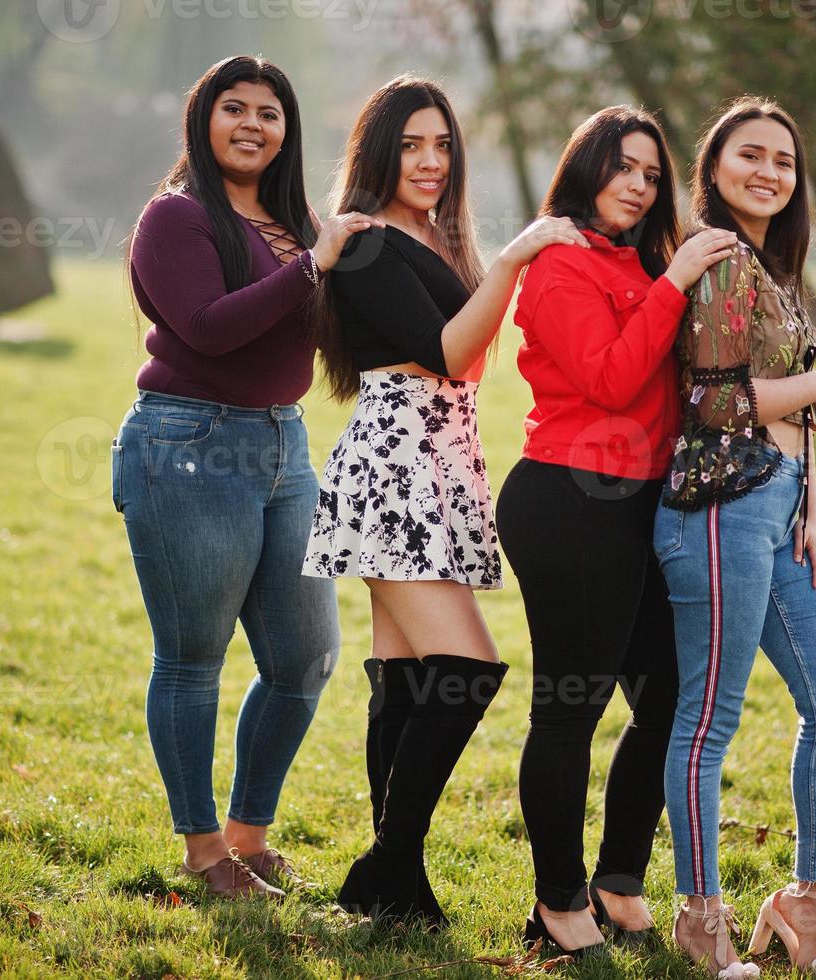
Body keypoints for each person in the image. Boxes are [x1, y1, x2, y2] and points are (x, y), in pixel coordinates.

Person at [302, 75, 585, 927]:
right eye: (411, 145)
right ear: (377, 151)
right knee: (464, 670)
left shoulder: (427, 233)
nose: (429, 161)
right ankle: (386, 864)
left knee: (403, 678)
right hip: (396, 464)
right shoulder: (363, 243)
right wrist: (514, 258)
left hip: (437, 459)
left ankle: (397, 883)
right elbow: (449, 356)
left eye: (442, 145)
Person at [113, 55, 380, 900]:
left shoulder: (292, 219)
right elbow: (208, 328)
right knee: (193, 658)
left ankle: (246, 837)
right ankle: (201, 853)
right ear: (204, 118)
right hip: (187, 445)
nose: (253, 126)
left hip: (281, 447)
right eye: (235, 109)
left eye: (270, 113)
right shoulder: (176, 218)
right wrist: (314, 264)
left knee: (304, 657)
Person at [495, 106, 736, 959]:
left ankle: (618, 882)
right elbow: (607, 378)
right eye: (621, 167)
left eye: (648, 173)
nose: (636, 185)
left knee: (667, 698)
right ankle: (557, 905)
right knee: (570, 706)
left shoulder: (645, 262)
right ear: (586, 169)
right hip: (569, 499)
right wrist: (674, 285)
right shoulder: (559, 261)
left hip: (642, 505)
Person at [654, 97, 816, 978]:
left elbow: (790, 410)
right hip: (718, 510)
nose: (769, 172)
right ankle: (700, 916)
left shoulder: (772, 268)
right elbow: (710, 400)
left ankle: (809, 904)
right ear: (713, 168)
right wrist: (814, 383)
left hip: (777, 508)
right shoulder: (714, 258)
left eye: (784, 161)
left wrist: (810, 509)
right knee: (710, 721)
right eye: (751, 155)